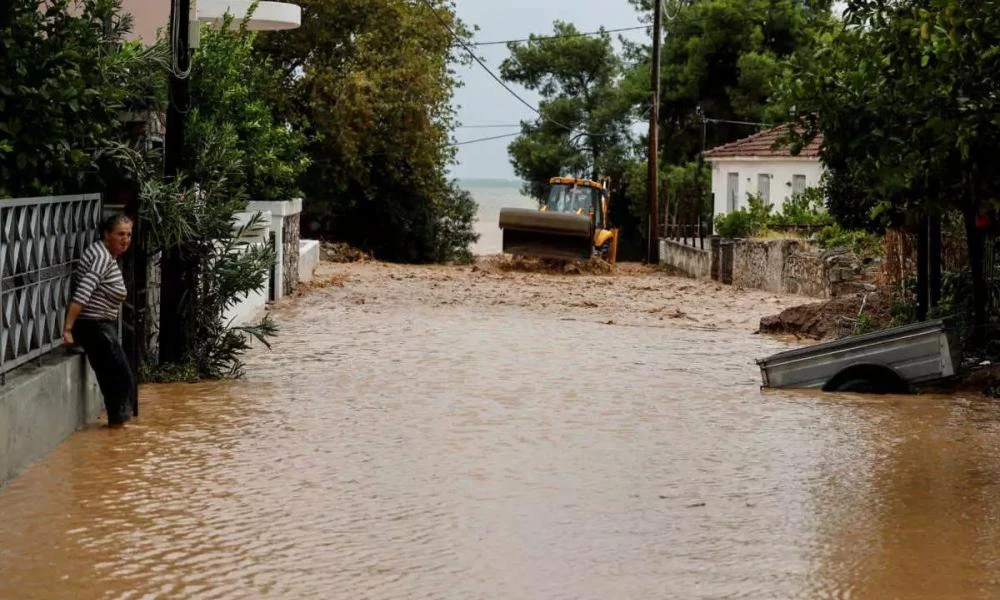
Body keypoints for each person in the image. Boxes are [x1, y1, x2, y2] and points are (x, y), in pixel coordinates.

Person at [63, 214, 134, 428]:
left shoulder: (104, 254)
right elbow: (83, 292)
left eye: (129, 235)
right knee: (120, 377)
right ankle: (117, 429)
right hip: (94, 325)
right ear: (106, 234)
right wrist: (68, 328)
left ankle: (117, 427)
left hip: (100, 325)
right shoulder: (101, 258)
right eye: (120, 234)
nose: (125, 239)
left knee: (113, 376)